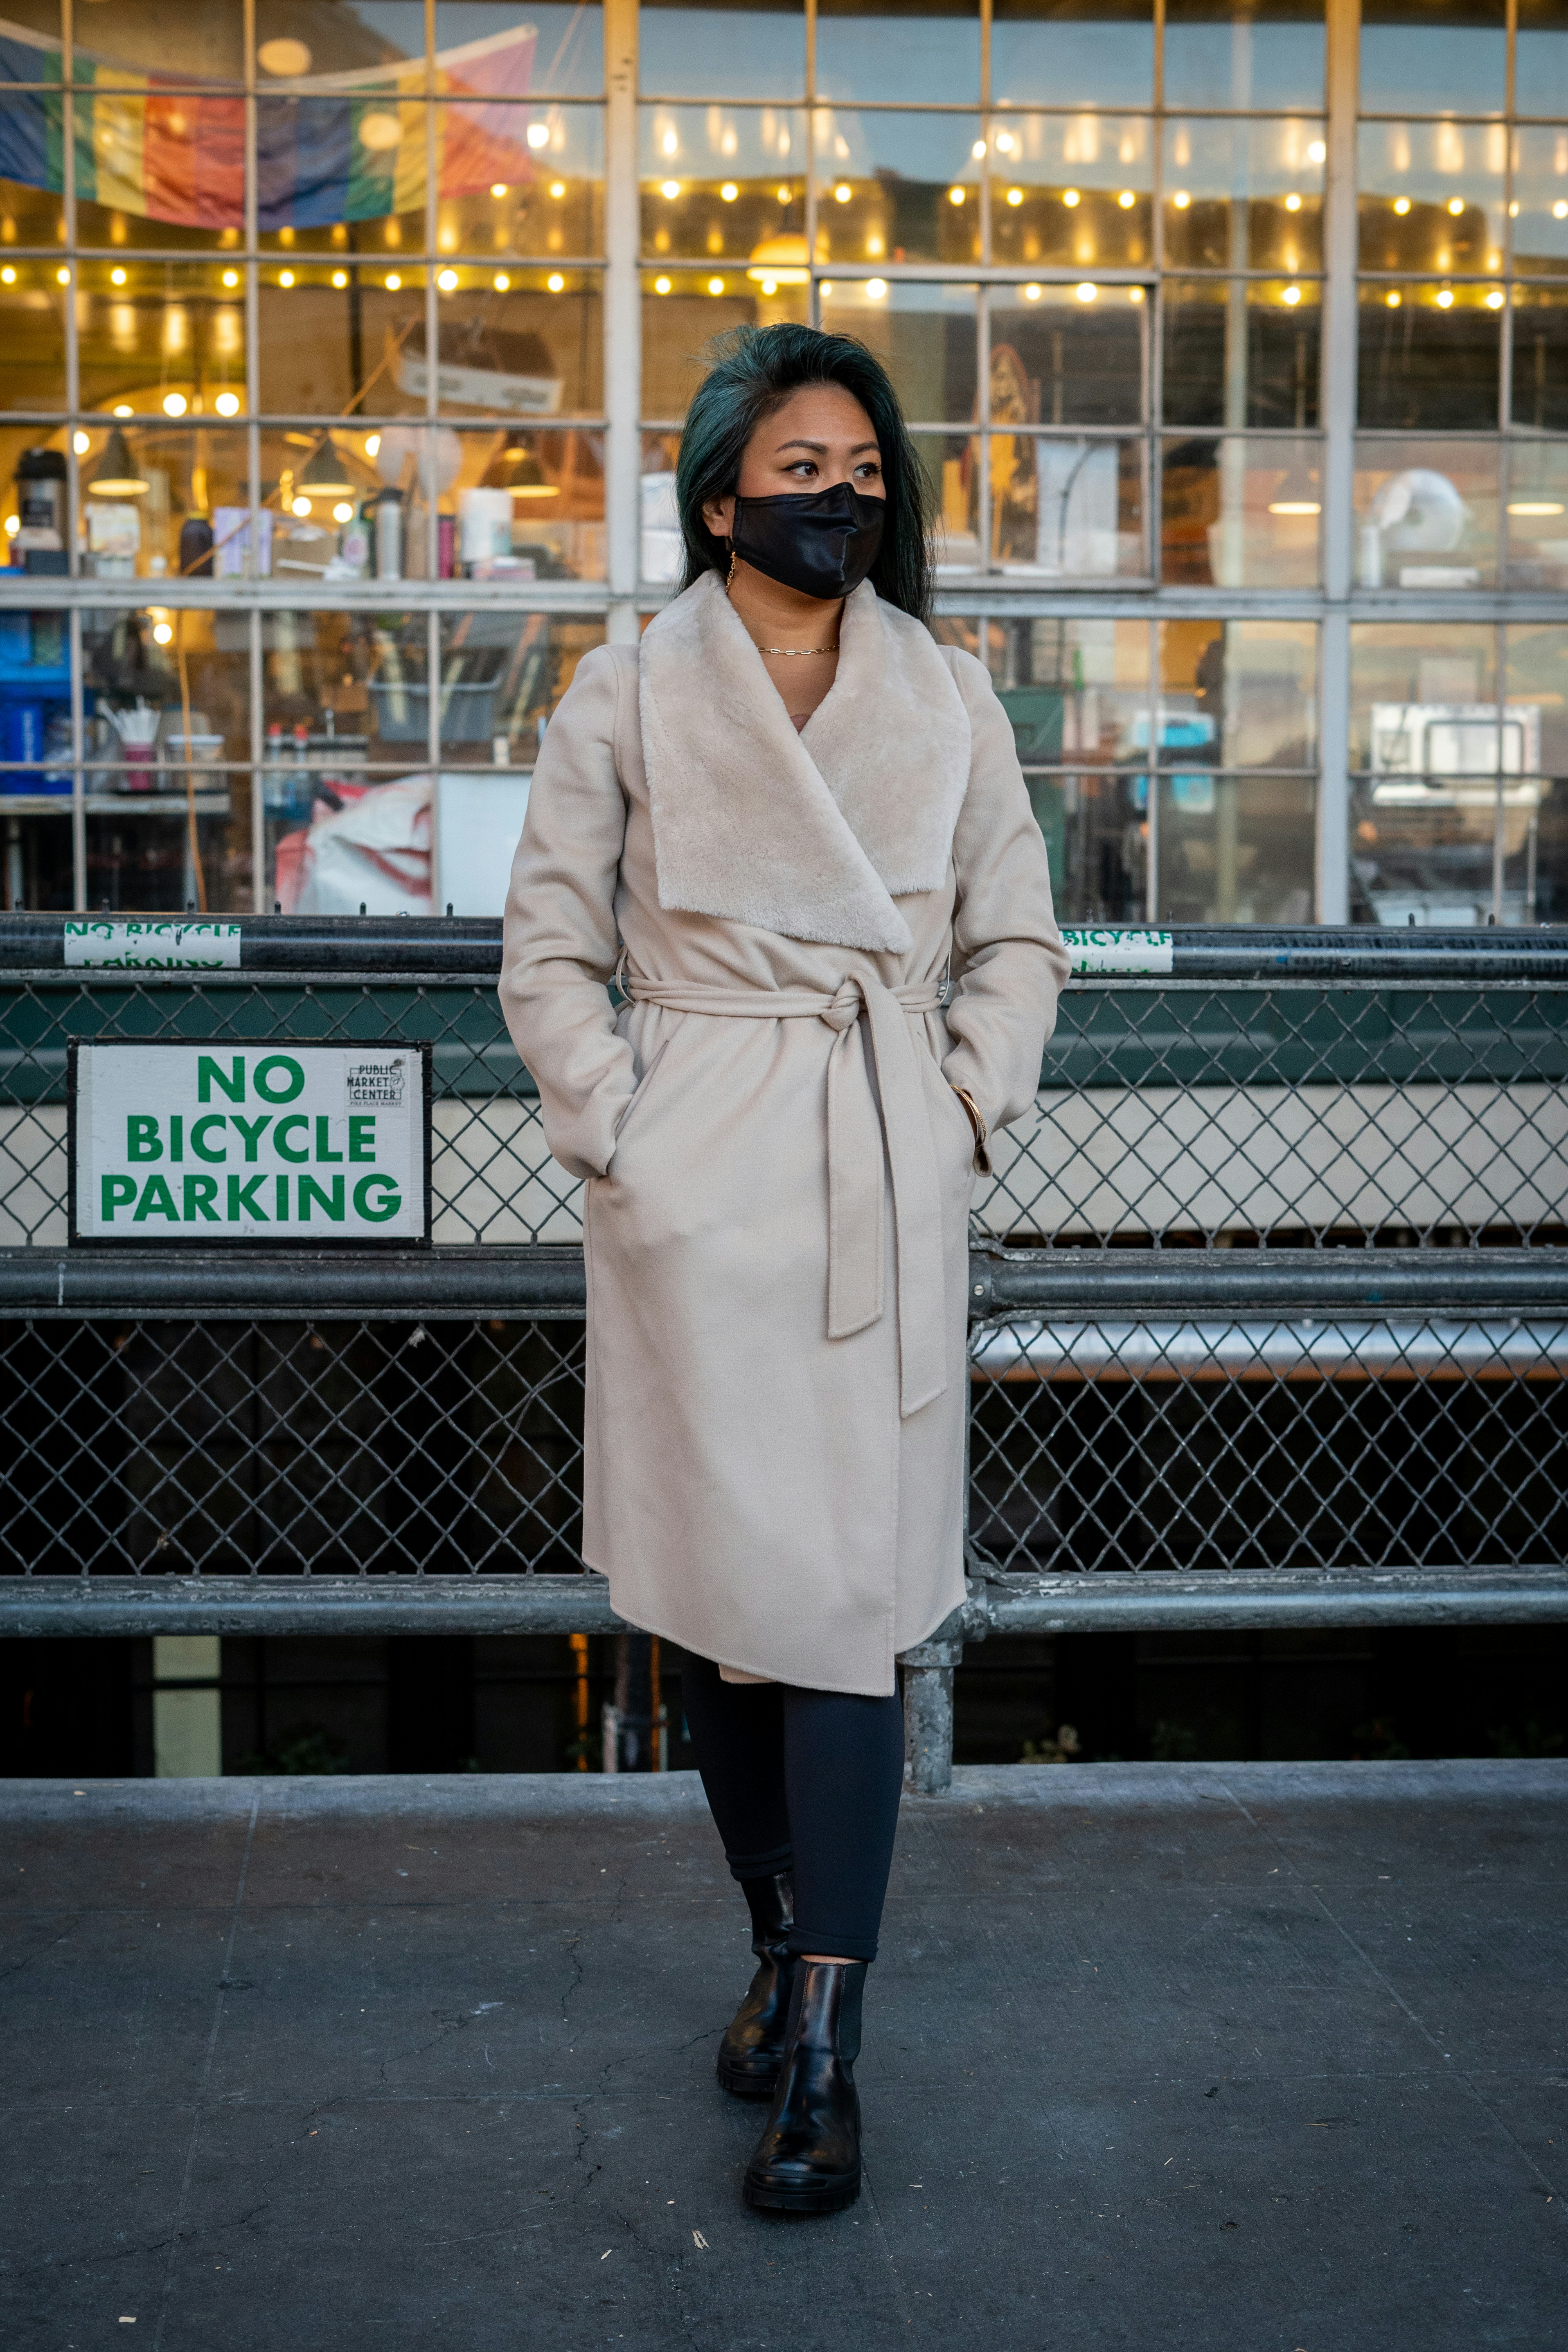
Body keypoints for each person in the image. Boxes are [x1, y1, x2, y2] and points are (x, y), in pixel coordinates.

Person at [500, 322, 1069, 2217]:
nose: (843, 497)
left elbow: (1017, 935)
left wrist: (964, 1106)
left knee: (842, 1611)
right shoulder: (630, 688)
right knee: (721, 1617)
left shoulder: (948, 693)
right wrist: (620, 1131)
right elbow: (547, 941)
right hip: (696, 1189)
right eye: (802, 467)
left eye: (864, 469)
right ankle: (771, 1937)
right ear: (722, 487)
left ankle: (828, 2041)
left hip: (871, 1171)